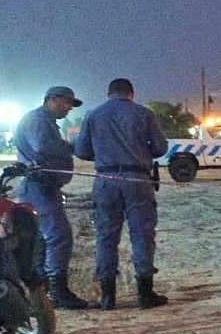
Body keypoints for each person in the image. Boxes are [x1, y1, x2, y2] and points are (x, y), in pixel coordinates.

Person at [73, 78, 169, 310]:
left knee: (106, 236)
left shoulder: (93, 115)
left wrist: (106, 154)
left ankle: (108, 296)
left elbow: (81, 150)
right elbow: (161, 148)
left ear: (109, 94)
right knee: (142, 235)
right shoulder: (144, 113)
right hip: (137, 179)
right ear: (131, 94)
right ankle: (145, 294)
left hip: (105, 180)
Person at [14, 86, 90, 310]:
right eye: (66, 103)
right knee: (59, 235)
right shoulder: (37, 119)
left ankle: (40, 289)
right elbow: (43, 146)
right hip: (38, 186)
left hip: (43, 186)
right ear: (51, 99)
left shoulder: (44, 120)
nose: (68, 108)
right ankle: (57, 291)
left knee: (42, 239)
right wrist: (71, 147)